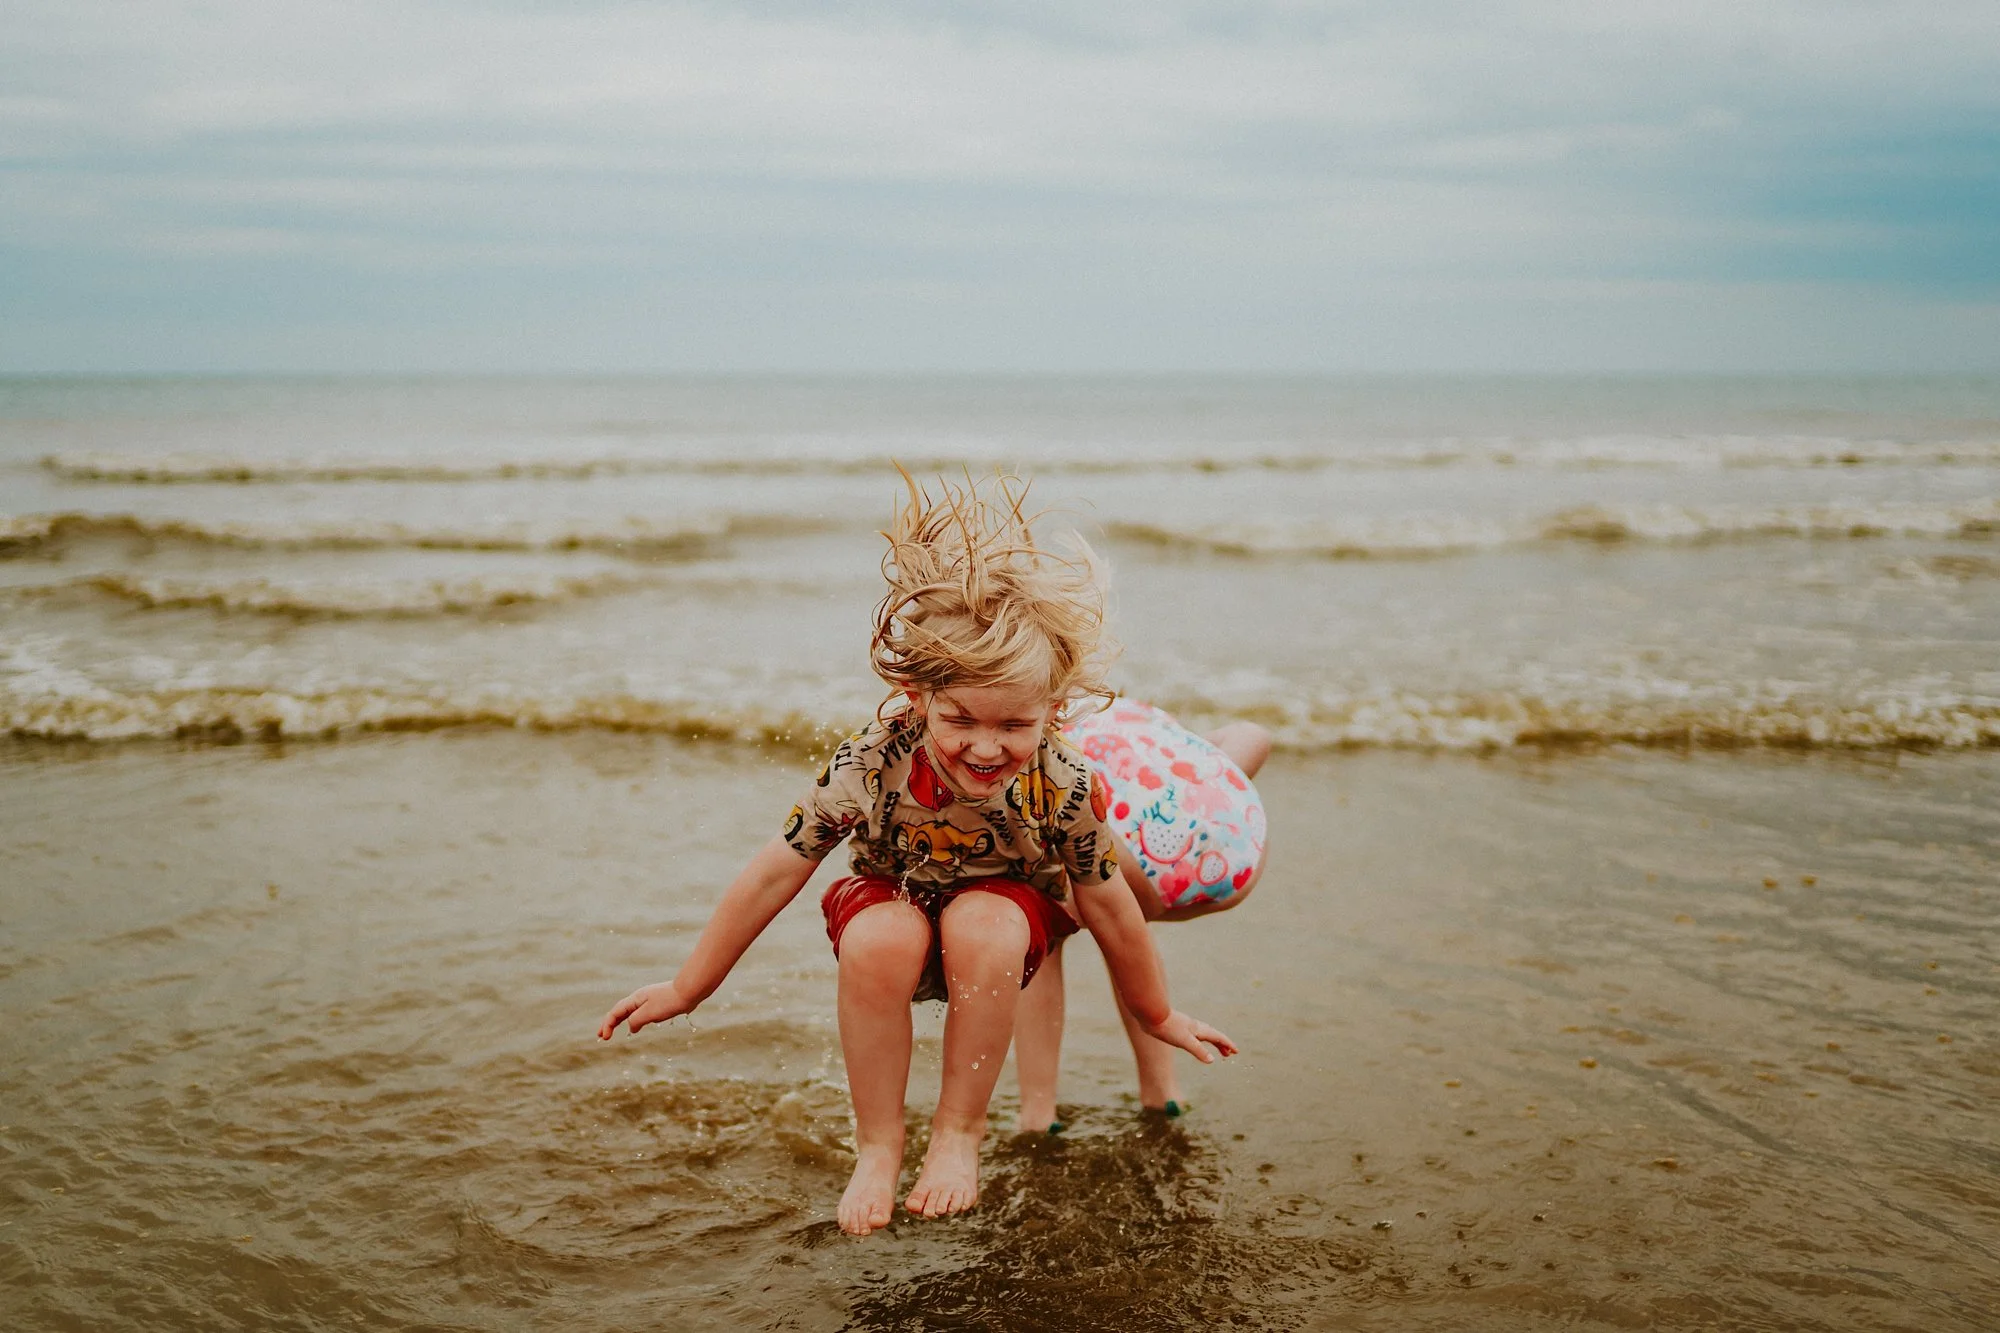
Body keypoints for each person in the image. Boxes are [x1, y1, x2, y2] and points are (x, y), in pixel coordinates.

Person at [597, 470, 1236, 1237]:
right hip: (889, 897)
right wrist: (689, 983)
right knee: (880, 935)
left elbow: (1108, 902)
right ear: (915, 694)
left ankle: (957, 1134)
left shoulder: (1062, 780)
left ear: (1053, 712)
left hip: (1003, 919)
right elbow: (778, 867)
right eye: (960, 716)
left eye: (1015, 725)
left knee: (985, 922)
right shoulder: (871, 761)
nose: (986, 745)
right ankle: (879, 1145)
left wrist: (1156, 1010)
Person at [1014, 700, 1271, 1132]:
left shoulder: (1046, 750)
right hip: (1236, 849)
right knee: (1126, 930)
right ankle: (1163, 1090)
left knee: (1047, 938)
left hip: (1134, 859)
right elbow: (1257, 735)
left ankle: (1038, 1112)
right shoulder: (1141, 733)